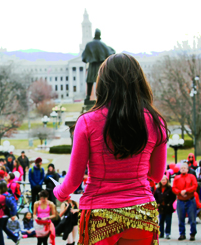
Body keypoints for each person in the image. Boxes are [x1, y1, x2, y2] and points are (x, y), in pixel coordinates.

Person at [53, 53, 168, 245]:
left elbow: (73, 180)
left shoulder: (87, 121)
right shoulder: (156, 121)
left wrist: (59, 193)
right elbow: (156, 175)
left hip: (100, 212)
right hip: (141, 212)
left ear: (103, 83)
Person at [81, 28, 115, 100]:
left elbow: (84, 57)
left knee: (89, 80)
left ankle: (88, 97)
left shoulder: (89, 44)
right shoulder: (102, 44)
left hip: (92, 65)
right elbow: (109, 54)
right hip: (100, 66)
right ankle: (103, 96)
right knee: (102, 81)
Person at [172, 162, 198, 241]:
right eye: (181, 168)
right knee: (181, 219)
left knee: (192, 219)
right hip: (180, 200)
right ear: (180, 170)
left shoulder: (192, 176)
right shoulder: (177, 178)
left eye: (184, 168)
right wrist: (180, 192)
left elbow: (195, 186)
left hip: (190, 200)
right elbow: (174, 188)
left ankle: (192, 233)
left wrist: (186, 191)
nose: (183, 169)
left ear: (187, 169)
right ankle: (182, 234)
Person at [154, 175, 176, 239]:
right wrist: (157, 203)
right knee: (161, 221)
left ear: (167, 181)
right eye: (162, 180)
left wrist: (169, 203)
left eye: (165, 180)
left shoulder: (170, 188)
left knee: (168, 221)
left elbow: (173, 197)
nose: (163, 181)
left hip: (168, 208)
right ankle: (161, 233)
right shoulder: (157, 189)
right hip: (161, 208)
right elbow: (155, 197)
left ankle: (167, 233)